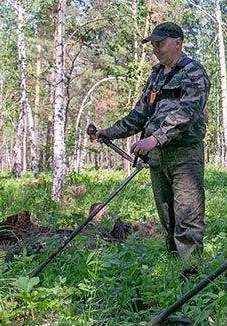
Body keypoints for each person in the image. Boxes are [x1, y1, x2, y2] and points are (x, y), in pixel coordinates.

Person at [90, 22, 210, 261]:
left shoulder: (193, 72)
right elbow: (139, 115)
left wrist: (155, 139)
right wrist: (108, 132)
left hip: (184, 156)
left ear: (178, 42)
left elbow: (188, 113)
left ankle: (192, 275)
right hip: (158, 158)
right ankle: (174, 271)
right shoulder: (156, 75)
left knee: (187, 216)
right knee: (168, 217)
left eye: (160, 44)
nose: (156, 49)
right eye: (153, 45)